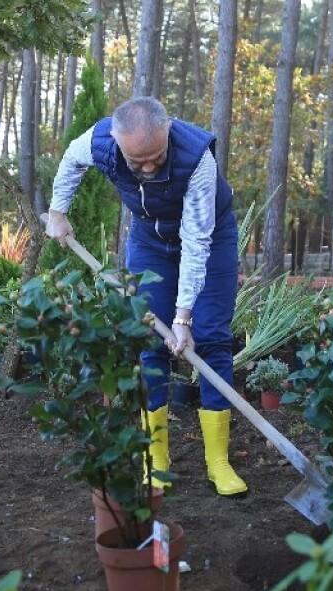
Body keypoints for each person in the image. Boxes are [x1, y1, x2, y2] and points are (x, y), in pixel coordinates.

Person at [45, 96, 247, 497]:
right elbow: (70, 158)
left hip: (209, 240)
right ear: (119, 143)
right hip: (148, 240)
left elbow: (196, 241)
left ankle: (218, 462)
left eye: (156, 157)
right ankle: (155, 459)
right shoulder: (100, 141)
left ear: (168, 131)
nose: (150, 167)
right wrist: (57, 211)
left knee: (210, 338)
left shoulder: (196, 160)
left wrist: (184, 317)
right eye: (138, 162)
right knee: (150, 339)